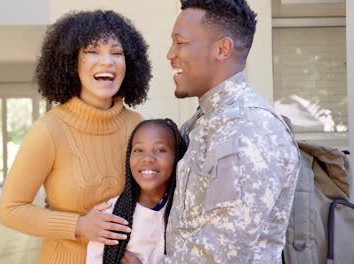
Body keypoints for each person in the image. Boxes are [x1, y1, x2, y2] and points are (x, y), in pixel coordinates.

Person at [123, 1, 300, 263]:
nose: (170, 54)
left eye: (180, 42)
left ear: (222, 49)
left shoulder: (249, 129)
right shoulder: (204, 122)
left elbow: (223, 253)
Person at [0, 10, 151, 264]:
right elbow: (10, 209)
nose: (107, 62)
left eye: (117, 52)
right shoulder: (49, 130)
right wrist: (78, 225)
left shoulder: (139, 126)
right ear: (70, 62)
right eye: (92, 51)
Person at [86, 119, 187, 264]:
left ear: (177, 157)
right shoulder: (111, 216)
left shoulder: (187, 211)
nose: (147, 158)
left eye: (160, 150)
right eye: (139, 150)